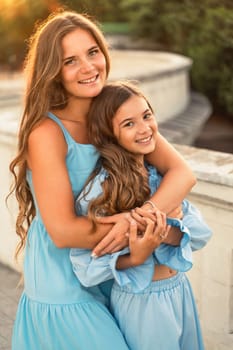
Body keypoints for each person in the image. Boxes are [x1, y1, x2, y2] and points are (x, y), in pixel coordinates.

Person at [9, 10, 197, 350]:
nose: (88, 67)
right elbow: (63, 231)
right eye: (70, 61)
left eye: (93, 52)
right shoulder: (47, 132)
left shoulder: (114, 110)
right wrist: (136, 227)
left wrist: (147, 213)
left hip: (116, 269)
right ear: (53, 72)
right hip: (63, 283)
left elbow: (182, 173)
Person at [70, 81, 212, 350]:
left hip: (179, 290)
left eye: (146, 116)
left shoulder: (161, 178)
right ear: (109, 134)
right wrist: (137, 254)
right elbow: (85, 265)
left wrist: (163, 233)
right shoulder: (102, 189)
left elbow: (201, 233)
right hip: (142, 302)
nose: (145, 128)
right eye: (129, 124)